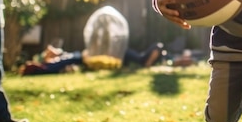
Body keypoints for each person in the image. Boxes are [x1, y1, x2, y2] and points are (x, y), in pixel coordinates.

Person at [18, 42, 165, 75]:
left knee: (69, 58)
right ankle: (42, 67)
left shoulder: (137, 59)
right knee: (69, 58)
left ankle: (39, 67)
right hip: (86, 56)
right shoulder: (138, 57)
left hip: (85, 57)